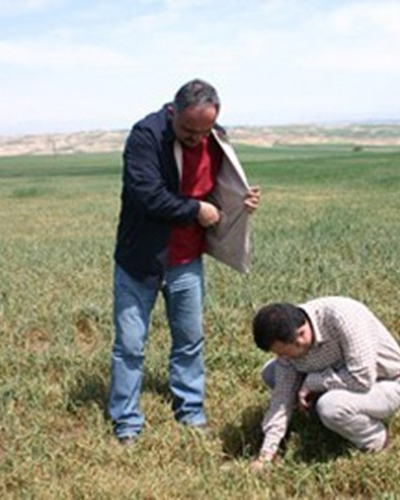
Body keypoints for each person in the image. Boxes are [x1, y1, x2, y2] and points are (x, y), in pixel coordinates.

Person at [109, 79, 261, 445]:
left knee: (190, 341)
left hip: (187, 260)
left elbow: (217, 187)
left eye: (204, 130)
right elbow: (148, 195)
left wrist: (240, 202)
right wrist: (197, 209)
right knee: (130, 345)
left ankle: (190, 412)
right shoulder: (146, 136)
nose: (196, 138)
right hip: (140, 260)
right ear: (173, 112)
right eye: (188, 130)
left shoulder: (214, 136)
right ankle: (127, 424)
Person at [249, 297, 400, 470]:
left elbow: (362, 379)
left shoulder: (343, 318)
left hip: (385, 382)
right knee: (271, 372)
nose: (283, 358)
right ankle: (316, 414)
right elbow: (281, 398)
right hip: (340, 375)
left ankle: (376, 440)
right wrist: (266, 455)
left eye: (285, 353)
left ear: (301, 336)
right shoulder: (289, 334)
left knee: (330, 407)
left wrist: (313, 382)